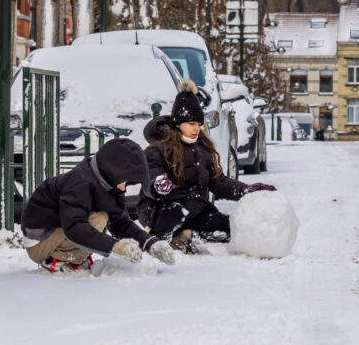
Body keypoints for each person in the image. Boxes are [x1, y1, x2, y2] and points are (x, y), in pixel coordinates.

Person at [138, 80, 276, 251]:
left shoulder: (202, 149)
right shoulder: (158, 149)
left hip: (196, 211)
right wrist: (157, 184)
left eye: (198, 124)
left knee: (230, 227)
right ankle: (166, 240)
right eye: (191, 124)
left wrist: (245, 190)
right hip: (162, 210)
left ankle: (189, 235)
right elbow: (149, 177)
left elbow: (218, 181)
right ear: (178, 124)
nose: (196, 129)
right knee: (175, 213)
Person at [21, 137, 176, 273]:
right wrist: (115, 247)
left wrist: (150, 243)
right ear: (114, 171)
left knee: (102, 217)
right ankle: (55, 260)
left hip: (57, 233)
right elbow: (75, 227)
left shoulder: (105, 184)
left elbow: (121, 223)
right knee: (99, 218)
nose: (124, 187)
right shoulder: (80, 183)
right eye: (125, 180)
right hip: (40, 243)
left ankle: (71, 257)